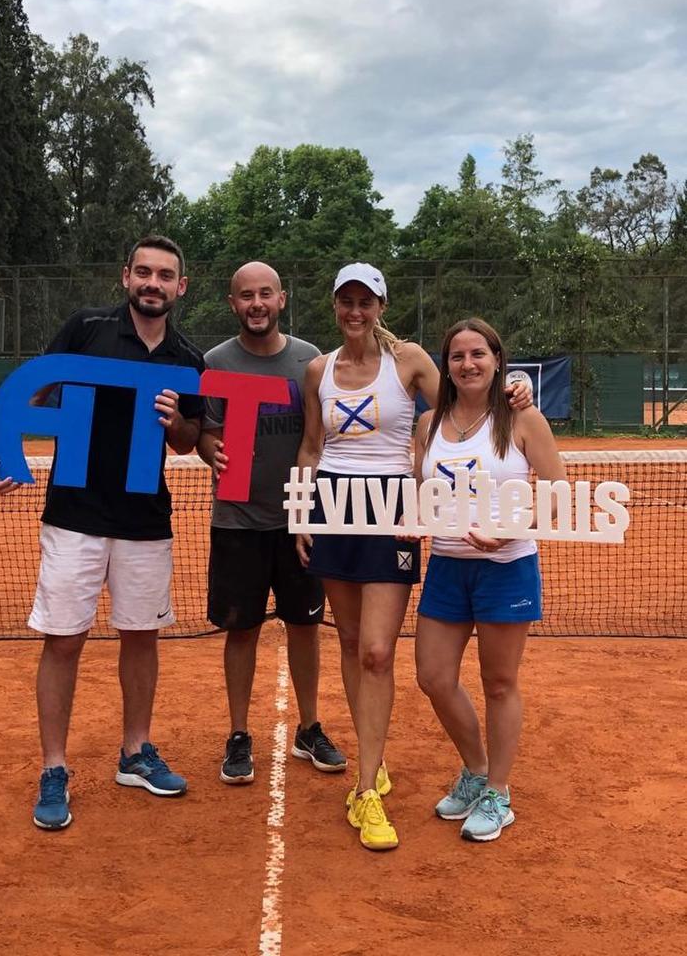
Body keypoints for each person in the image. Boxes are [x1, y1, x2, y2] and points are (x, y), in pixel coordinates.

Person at [295, 265, 532, 852]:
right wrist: (301, 511)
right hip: (331, 508)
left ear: (381, 305)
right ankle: (370, 768)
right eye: (346, 301)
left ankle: (368, 790)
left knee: (377, 650)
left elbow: (463, 401)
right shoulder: (318, 370)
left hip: (393, 512)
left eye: (366, 301)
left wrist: (517, 383)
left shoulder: (411, 361)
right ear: (335, 306)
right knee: (351, 643)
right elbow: (311, 445)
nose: (356, 310)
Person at [0, 234, 205, 830]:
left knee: (141, 636)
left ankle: (135, 752)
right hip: (74, 517)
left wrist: (177, 419)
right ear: (126, 275)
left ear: (181, 287)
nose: (153, 284)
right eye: (144, 273)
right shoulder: (86, 327)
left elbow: (187, 440)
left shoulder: (188, 357)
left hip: (144, 520)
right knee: (63, 640)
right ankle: (54, 767)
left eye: (165, 276)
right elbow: (35, 386)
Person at [412, 317, 565, 842]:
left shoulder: (523, 419)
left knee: (499, 683)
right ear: (446, 366)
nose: (468, 364)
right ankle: (476, 770)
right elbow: (419, 492)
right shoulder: (428, 422)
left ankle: (499, 792)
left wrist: (507, 531)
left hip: (508, 566)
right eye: (457, 356)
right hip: (447, 565)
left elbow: (557, 490)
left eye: (478, 354)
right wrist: (409, 527)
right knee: (432, 676)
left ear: (497, 360)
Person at [197, 261, 346, 784]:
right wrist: (209, 447)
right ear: (232, 303)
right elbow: (205, 435)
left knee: (305, 626)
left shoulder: (312, 361)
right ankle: (239, 734)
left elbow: (323, 434)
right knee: (240, 631)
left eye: (265, 294)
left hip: (302, 520)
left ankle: (309, 727)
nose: (256, 304)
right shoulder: (214, 362)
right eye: (245, 296)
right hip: (237, 520)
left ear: (282, 299)